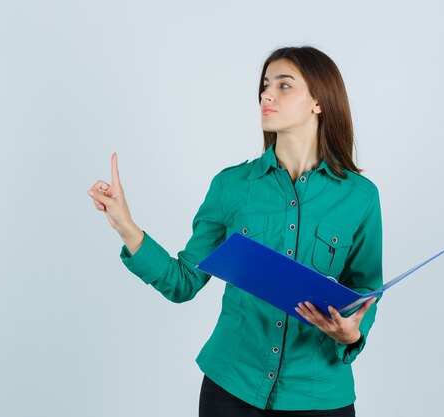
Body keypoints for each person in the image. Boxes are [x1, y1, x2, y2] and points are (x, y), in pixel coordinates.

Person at [87, 45, 382, 417]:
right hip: (232, 388)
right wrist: (125, 226)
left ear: (318, 102)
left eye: (284, 85)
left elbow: (367, 288)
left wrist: (351, 334)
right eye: (264, 84)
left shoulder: (360, 196)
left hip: (319, 394)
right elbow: (183, 283)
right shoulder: (231, 186)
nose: (266, 94)